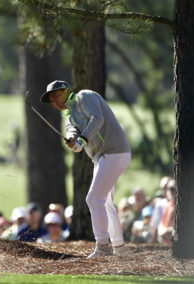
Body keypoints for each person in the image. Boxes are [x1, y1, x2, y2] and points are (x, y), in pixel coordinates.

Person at [41, 80, 131, 258]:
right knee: (104, 202)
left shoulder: (84, 96)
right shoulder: (69, 119)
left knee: (93, 198)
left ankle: (103, 247)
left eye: (57, 95)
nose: (55, 101)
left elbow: (97, 118)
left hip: (114, 152)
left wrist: (81, 139)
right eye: (51, 99)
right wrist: (74, 143)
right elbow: (76, 142)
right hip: (103, 158)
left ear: (67, 91)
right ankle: (119, 247)